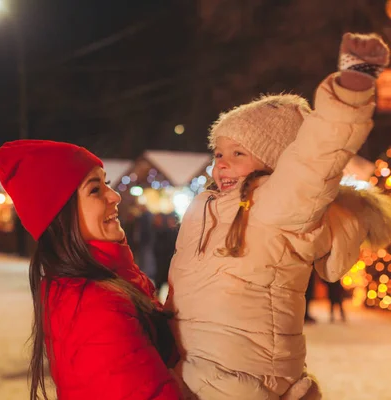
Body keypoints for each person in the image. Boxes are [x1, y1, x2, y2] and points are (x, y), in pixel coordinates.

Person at [166, 33, 391, 399]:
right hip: (194, 368)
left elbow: (318, 154)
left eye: (239, 153)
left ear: (277, 163)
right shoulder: (207, 206)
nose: (221, 162)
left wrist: (353, 85)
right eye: (218, 152)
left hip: (242, 381)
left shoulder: (279, 203)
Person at [0, 140, 183, 400]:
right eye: (95, 189)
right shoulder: (95, 303)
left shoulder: (101, 283)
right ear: (61, 215)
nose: (114, 195)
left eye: (106, 183)